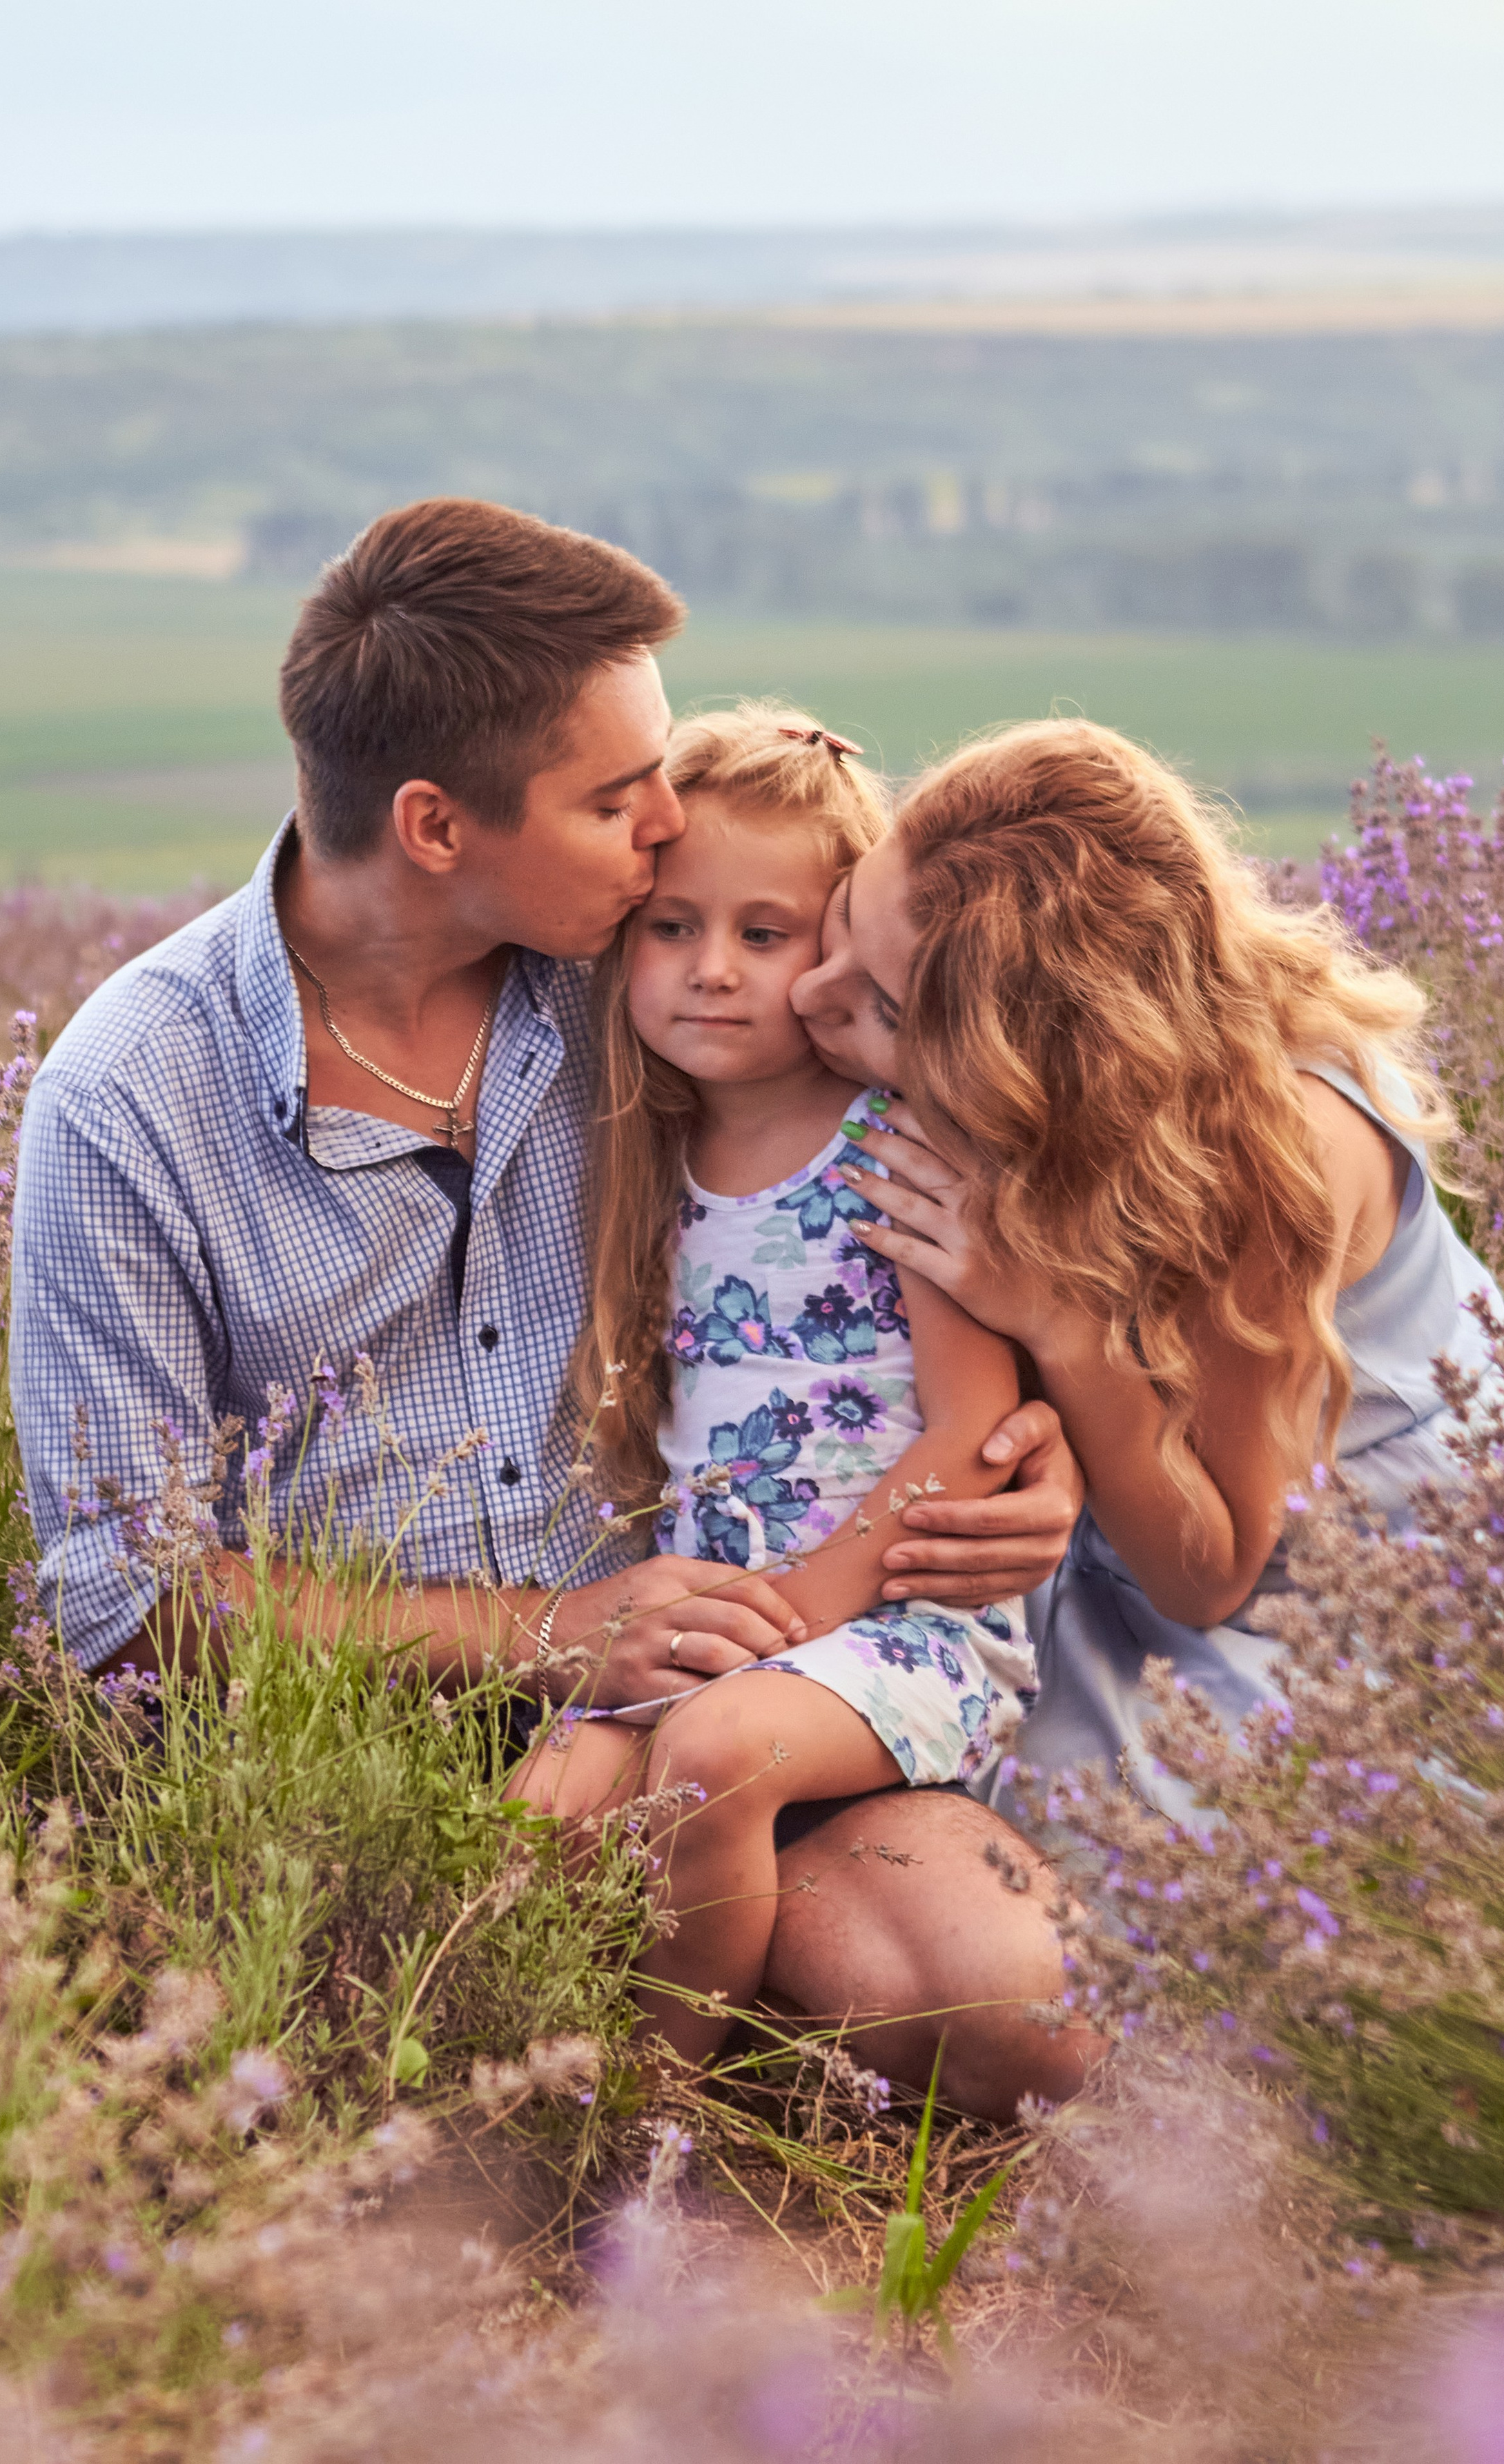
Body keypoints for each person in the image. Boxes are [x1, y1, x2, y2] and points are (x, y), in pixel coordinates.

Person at [9, 498, 1089, 2117]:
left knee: (987, 2010)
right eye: (614, 799)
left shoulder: (642, 979)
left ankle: (684, 1998)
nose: (666, 827)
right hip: (379, 1729)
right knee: (377, 2029)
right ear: (438, 829)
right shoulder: (131, 1098)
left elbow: (966, 1142)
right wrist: (549, 1636)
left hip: (737, 1660)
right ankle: (600, 2078)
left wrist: (1028, 1444)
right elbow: (120, 1595)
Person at [792, 718, 1504, 1820]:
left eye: (885, 1011)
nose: (810, 994)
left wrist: (1054, 1327)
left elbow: (1208, 1574)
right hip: (1103, 1532)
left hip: (1320, 1614)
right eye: (843, 920)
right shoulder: (1076, 1088)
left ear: (1036, 1069)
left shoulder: (1275, 1158)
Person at [511, 706, 1040, 2066]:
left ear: (844, 953)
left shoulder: (896, 1148)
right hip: (713, 1621)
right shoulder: (649, 1153)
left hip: (893, 1619)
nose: (711, 973)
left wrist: (810, 1600)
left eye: (765, 934)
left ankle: (662, 2110)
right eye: (672, 928)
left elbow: (977, 1423)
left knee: (709, 1757)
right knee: (544, 1809)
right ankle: (555, 2076)